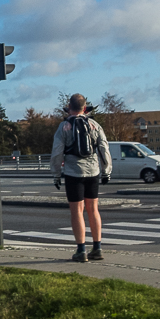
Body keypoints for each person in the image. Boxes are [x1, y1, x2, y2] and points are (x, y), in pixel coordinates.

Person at [50, 93, 112, 262]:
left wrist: (56, 174)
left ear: (69, 107)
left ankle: (81, 250)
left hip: (73, 173)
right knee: (93, 209)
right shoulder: (94, 125)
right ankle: (97, 247)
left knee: (77, 211)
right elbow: (104, 149)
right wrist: (106, 170)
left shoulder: (64, 127)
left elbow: (57, 153)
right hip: (93, 172)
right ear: (85, 108)